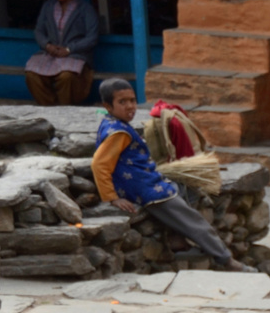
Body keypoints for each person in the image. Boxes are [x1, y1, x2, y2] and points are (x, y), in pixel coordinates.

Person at [90, 80, 256, 273]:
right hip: (145, 189)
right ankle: (226, 260)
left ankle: (177, 240)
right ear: (108, 106)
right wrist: (112, 197)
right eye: (122, 102)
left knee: (186, 188)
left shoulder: (112, 124)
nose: (130, 107)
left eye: (132, 101)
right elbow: (99, 164)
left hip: (146, 179)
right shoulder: (118, 133)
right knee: (193, 219)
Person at [25, 0, 100, 108]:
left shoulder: (85, 9)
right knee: (32, 75)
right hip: (50, 54)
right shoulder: (48, 6)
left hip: (75, 55)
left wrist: (69, 49)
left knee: (67, 77)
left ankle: (65, 109)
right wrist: (47, 45)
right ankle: (50, 108)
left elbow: (92, 37)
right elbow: (39, 30)